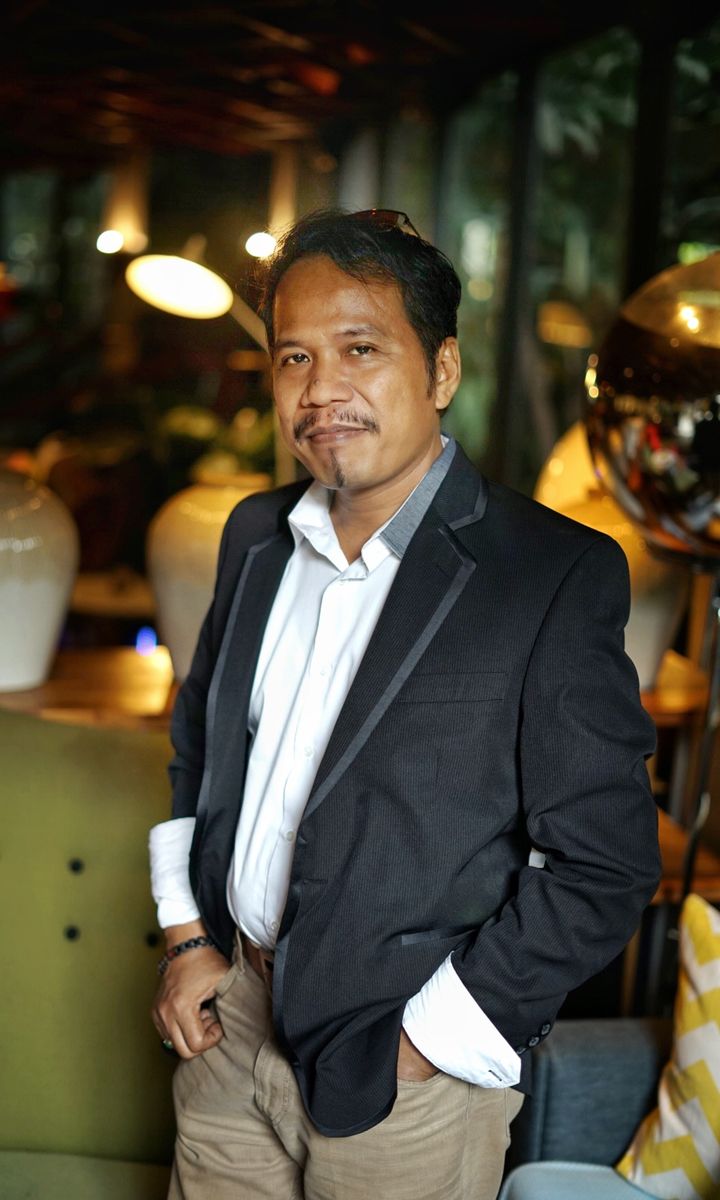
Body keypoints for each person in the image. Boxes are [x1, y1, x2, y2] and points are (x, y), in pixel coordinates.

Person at [149, 208, 661, 1200]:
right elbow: (198, 748)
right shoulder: (254, 535)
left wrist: (428, 1042)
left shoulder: (547, 574)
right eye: (294, 356)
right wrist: (188, 938)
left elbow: (605, 864)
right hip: (229, 1029)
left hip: (404, 1084)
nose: (320, 388)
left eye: (360, 349)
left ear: (442, 370)